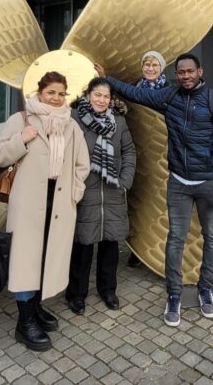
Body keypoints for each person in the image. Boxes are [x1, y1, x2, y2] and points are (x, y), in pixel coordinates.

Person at [95, 53, 213, 328]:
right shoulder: (168, 97)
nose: (185, 76)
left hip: (208, 182)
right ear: (176, 74)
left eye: (190, 71)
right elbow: (136, 94)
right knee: (175, 239)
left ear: (200, 72)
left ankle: (205, 288)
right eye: (181, 72)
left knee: (211, 235)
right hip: (179, 183)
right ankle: (174, 294)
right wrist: (106, 79)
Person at [0, 72, 90, 352]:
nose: (56, 98)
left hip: (59, 202)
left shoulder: (71, 125)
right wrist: (21, 140)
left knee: (46, 256)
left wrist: (75, 193)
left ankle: (35, 307)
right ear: (40, 93)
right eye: (50, 93)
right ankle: (24, 321)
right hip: (27, 202)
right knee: (26, 260)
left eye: (60, 93)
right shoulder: (20, 119)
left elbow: (82, 164)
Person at [65, 77, 136, 315]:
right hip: (85, 191)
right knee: (83, 244)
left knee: (110, 243)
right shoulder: (74, 119)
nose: (102, 100)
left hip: (113, 190)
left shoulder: (118, 121)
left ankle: (108, 290)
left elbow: (129, 151)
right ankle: (76, 294)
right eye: (97, 95)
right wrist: (74, 183)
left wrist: (125, 180)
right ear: (88, 95)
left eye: (106, 96)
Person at [126, 50, 168, 270]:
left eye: (154, 65)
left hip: (160, 155)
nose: (150, 69)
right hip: (138, 153)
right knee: (137, 203)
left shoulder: (169, 91)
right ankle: (137, 249)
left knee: (158, 204)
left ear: (161, 68)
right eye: (147, 65)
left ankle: (160, 250)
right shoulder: (134, 89)